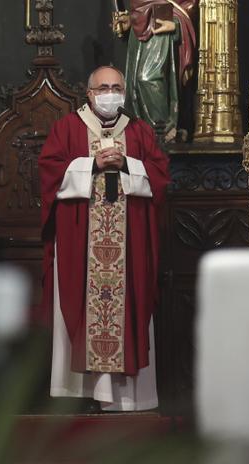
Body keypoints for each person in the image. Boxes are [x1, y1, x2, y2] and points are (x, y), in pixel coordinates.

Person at [37, 66, 169, 411]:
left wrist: (127, 163)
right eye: (103, 87)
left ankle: (124, 399)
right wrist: (91, 164)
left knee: (127, 306)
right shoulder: (67, 129)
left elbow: (160, 177)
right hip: (79, 243)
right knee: (84, 306)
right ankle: (82, 394)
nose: (110, 93)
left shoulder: (138, 131)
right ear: (89, 93)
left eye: (116, 87)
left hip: (130, 243)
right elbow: (49, 173)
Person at [113, 0, 197, 141]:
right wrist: (134, 19)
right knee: (134, 86)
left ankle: (161, 132)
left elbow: (190, 4)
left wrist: (178, 24)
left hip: (162, 20)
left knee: (148, 78)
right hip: (141, 22)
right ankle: (142, 134)